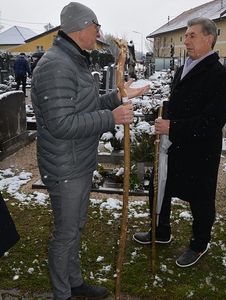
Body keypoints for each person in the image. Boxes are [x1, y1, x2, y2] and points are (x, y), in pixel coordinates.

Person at [30, 2, 149, 299]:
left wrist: (117, 95)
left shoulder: (73, 60)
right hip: (64, 164)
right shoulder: (56, 64)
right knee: (66, 233)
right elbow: (60, 123)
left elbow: (83, 102)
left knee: (76, 227)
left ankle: (74, 283)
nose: (98, 32)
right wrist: (112, 118)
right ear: (81, 27)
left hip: (77, 160)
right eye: (96, 27)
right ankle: (63, 294)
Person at [133, 17, 226, 268]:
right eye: (186, 35)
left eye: (192, 36)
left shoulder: (220, 75)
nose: (185, 40)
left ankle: (200, 244)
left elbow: (213, 121)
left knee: (201, 198)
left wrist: (173, 127)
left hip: (199, 150)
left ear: (209, 39)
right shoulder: (184, 67)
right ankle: (161, 230)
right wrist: (162, 116)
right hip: (175, 144)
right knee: (161, 188)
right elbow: (181, 102)